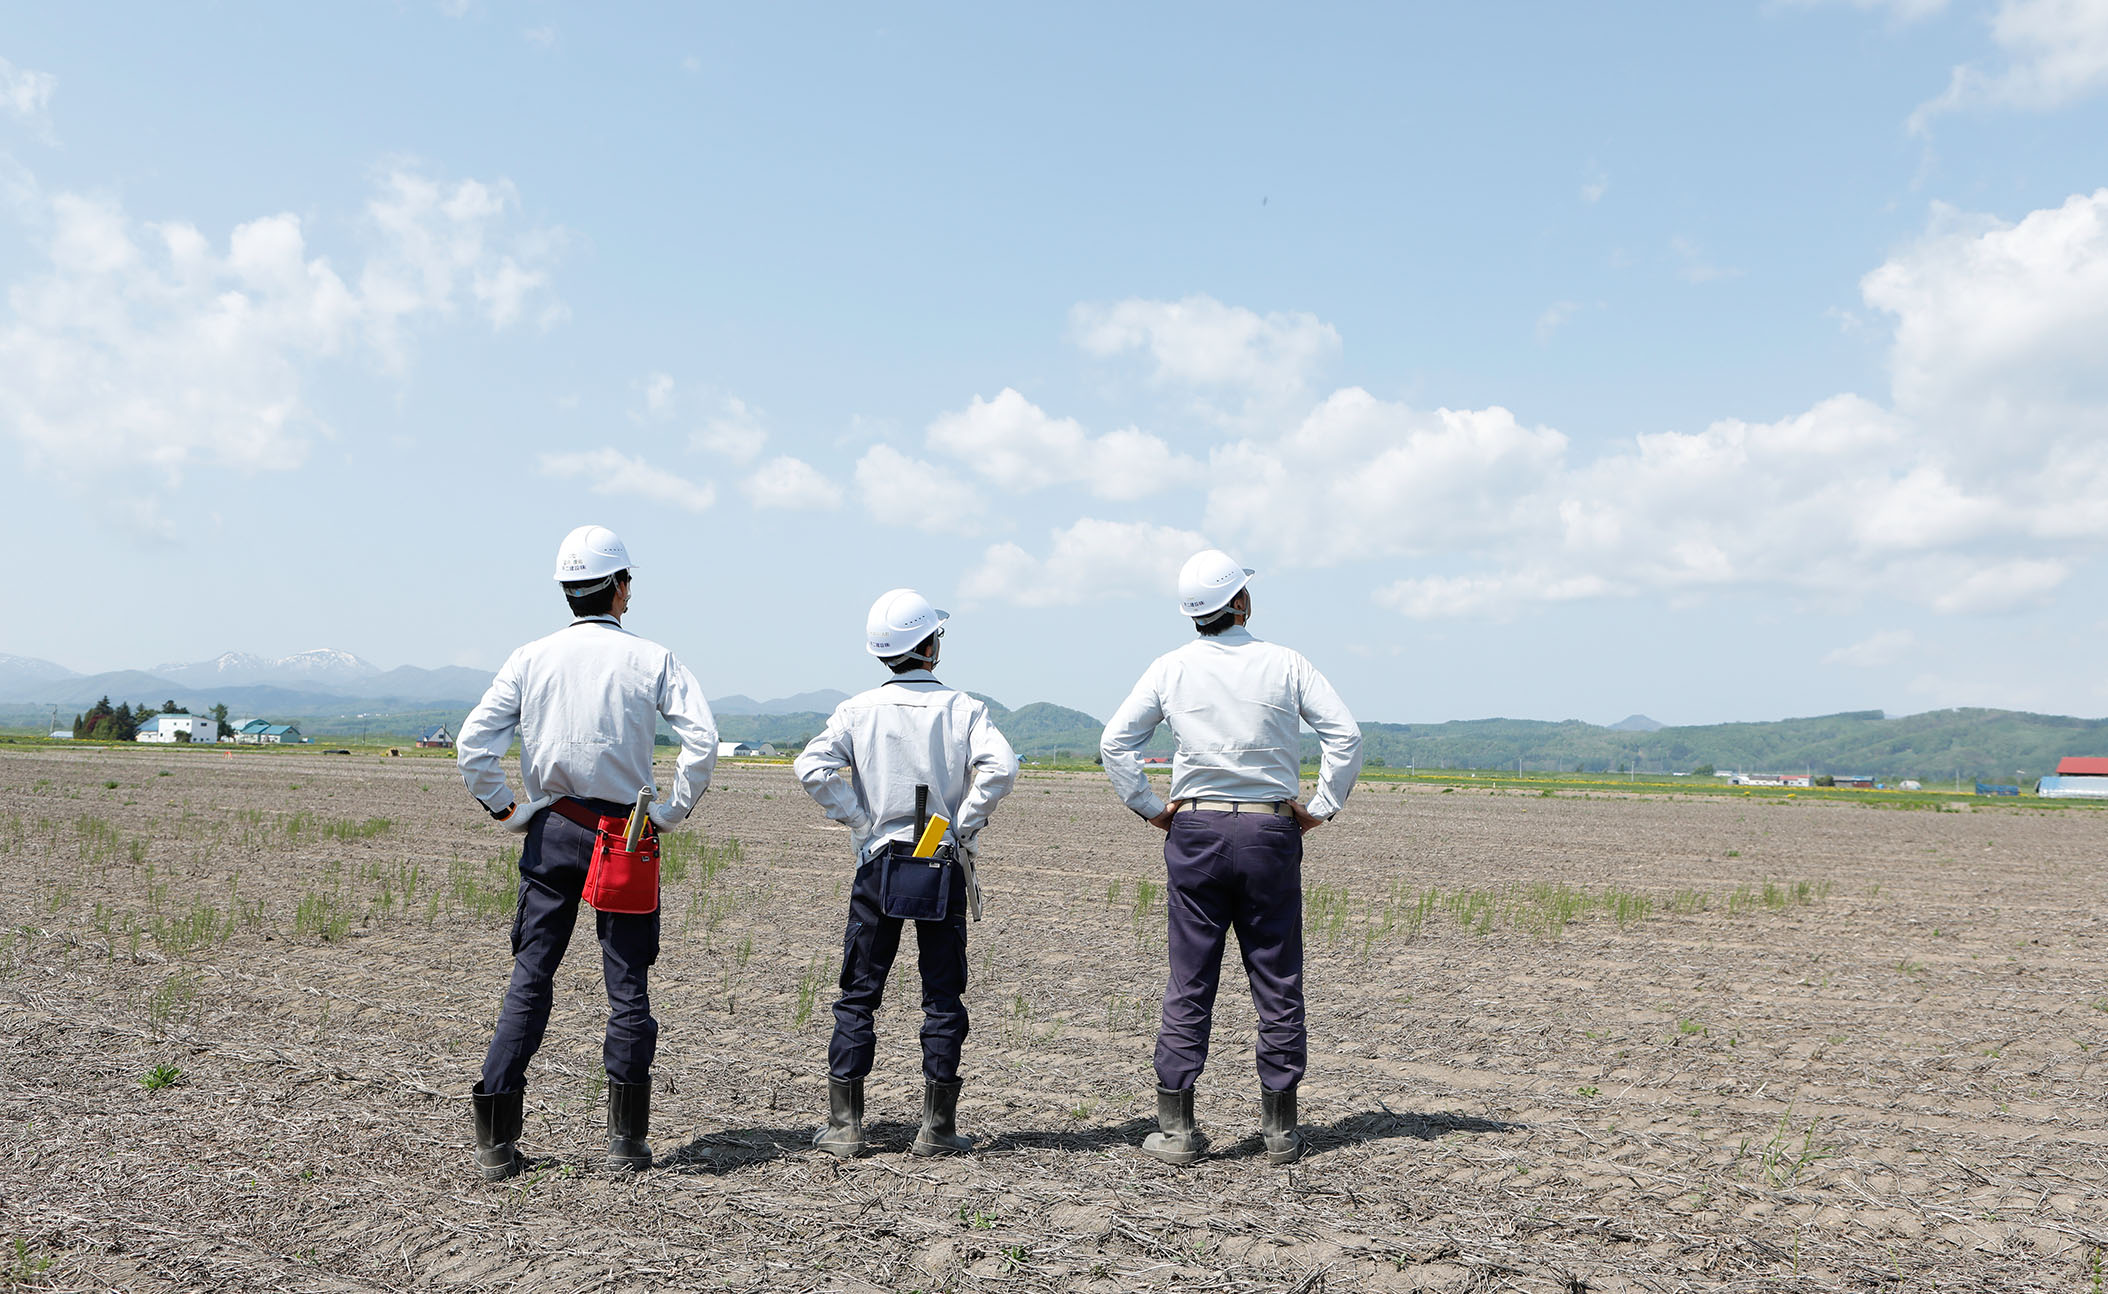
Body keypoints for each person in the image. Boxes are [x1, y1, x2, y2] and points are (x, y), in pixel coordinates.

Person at [456, 524, 719, 1181]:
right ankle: (626, 1143)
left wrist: (510, 812)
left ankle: (495, 1141)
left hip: (552, 832)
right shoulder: (653, 660)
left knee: (531, 979)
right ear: (621, 588)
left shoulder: (529, 658)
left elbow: (472, 746)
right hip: (627, 838)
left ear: (568, 592)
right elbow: (703, 742)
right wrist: (668, 812)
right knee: (627, 987)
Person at [1099, 549, 1362, 1166]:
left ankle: (1177, 1129)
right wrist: (1321, 805)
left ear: (1195, 614)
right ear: (1241, 603)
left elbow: (1116, 741)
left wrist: (1150, 806)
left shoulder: (1170, 669)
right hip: (1270, 832)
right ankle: (1279, 1131)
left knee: (1191, 978)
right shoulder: (1286, 663)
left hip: (1195, 831)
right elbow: (1344, 735)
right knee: (1276, 975)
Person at [793, 589, 1018, 1158]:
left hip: (879, 862)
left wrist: (862, 822)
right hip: (938, 857)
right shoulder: (963, 708)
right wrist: (960, 827)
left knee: (858, 993)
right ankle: (938, 1128)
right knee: (942, 996)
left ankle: (845, 1126)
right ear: (929, 645)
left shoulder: (855, 709)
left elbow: (811, 767)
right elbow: (1001, 767)